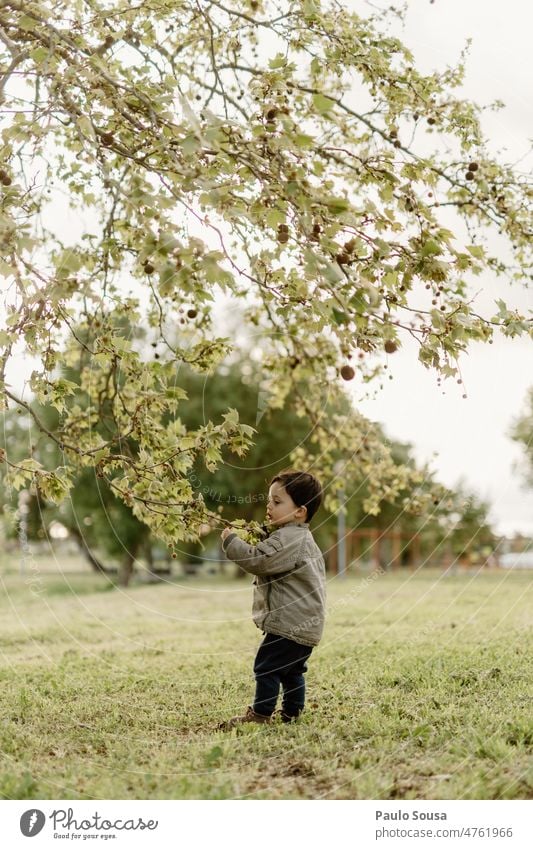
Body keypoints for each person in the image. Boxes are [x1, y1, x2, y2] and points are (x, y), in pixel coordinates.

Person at [219, 469, 326, 728]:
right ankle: (292, 713)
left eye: (277, 502)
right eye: (270, 500)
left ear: (300, 511)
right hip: (306, 624)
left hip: (289, 624)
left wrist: (231, 541)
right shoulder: (298, 537)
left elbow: (259, 560)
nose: (270, 506)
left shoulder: (288, 538)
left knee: (266, 667)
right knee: (292, 671)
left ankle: (260, 715)